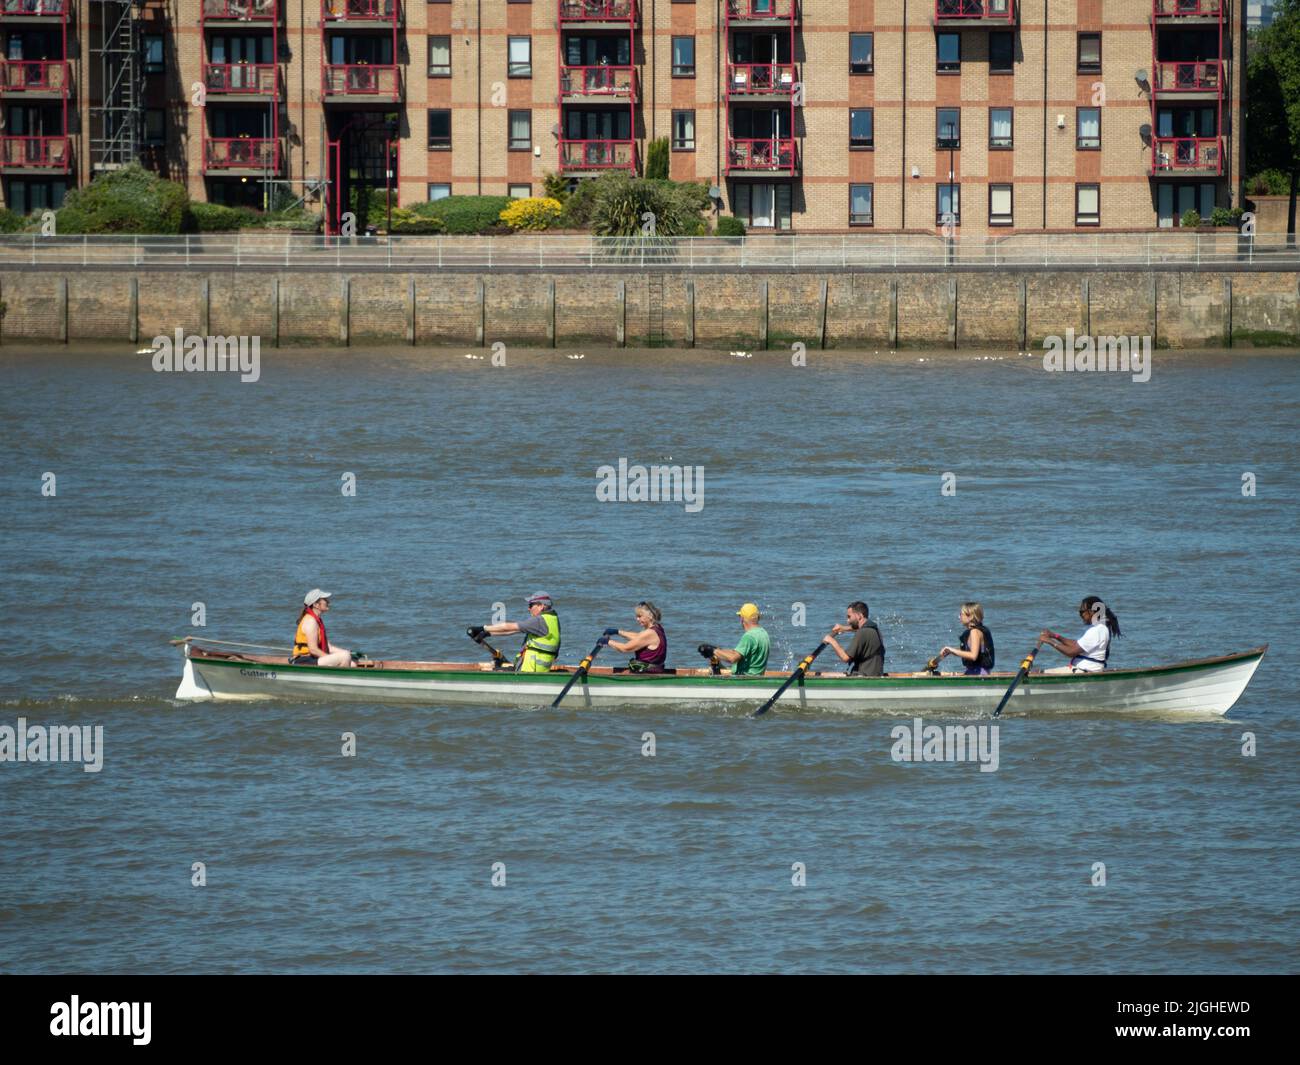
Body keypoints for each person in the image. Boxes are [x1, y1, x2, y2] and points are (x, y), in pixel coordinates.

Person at [472, 592, 562, 673]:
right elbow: (514, 630)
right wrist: (488, 634)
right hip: (541, 670)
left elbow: (509, 627)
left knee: (495, 670)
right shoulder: (553, 619)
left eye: (531, 605)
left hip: (529, 671)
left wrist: (482, 628)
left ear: (541, 606)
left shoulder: (539, 621)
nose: (528, 609)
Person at [1039, 596, 1120, 673]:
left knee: (1039, 673)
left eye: (1082, 612)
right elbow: (1076, 644)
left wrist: (1049, 641)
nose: (1080, 614)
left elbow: (1071, 652)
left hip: (1085, 670)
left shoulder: (1097, 630)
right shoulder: (1097, 627)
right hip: (1082, 669)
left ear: (1091, 612)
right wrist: (1055, 636)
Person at [699, 603, 770, 676]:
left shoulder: (749, 636)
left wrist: (712, 650)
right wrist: (718, 651)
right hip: (757, 677)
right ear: (758, 618)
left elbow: (733, 658)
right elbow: (738, 652)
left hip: (745, 679)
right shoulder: (763, 633)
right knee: (719, 667)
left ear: (742, 618)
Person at [291, 589, 355, 667]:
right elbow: (313, 649)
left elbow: (329, 648)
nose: (328, 602)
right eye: (325, 599)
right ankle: (337, 678)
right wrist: (331, 658)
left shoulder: (317, 621)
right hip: (303, 660)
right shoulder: (311, 621)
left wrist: (349, 653)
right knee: (344, 656)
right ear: (316, 605)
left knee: (352, 663)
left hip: (312, 659)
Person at [823, 600, 886, 676]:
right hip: (876, 674)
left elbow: (845, 658)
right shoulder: (874, 629)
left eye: (849, 617)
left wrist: (831, 640)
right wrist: (843, 628)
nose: (848, 621)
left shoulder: (862, 633)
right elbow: (859, 628)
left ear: (859, 616)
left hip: (864, 677)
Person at [937, 601, 995, 675]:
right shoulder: (972, 631)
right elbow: (968, 651)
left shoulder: (975, 632)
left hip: (979, 674)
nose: (959, 617)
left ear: (970, 617)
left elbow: (973, 656)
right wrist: (950, 651)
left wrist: (952, 650)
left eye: (961, 614)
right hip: (973, 671)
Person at [607, 601, 667, 672]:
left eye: (640, 616)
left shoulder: (649, 633)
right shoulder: (658, 628)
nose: (637, 619)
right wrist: (617, 632)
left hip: (648, 673)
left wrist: (607, 642)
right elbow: (638, 637)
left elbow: (625, 648)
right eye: (637, 616)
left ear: (650, 616)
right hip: (655, 669)